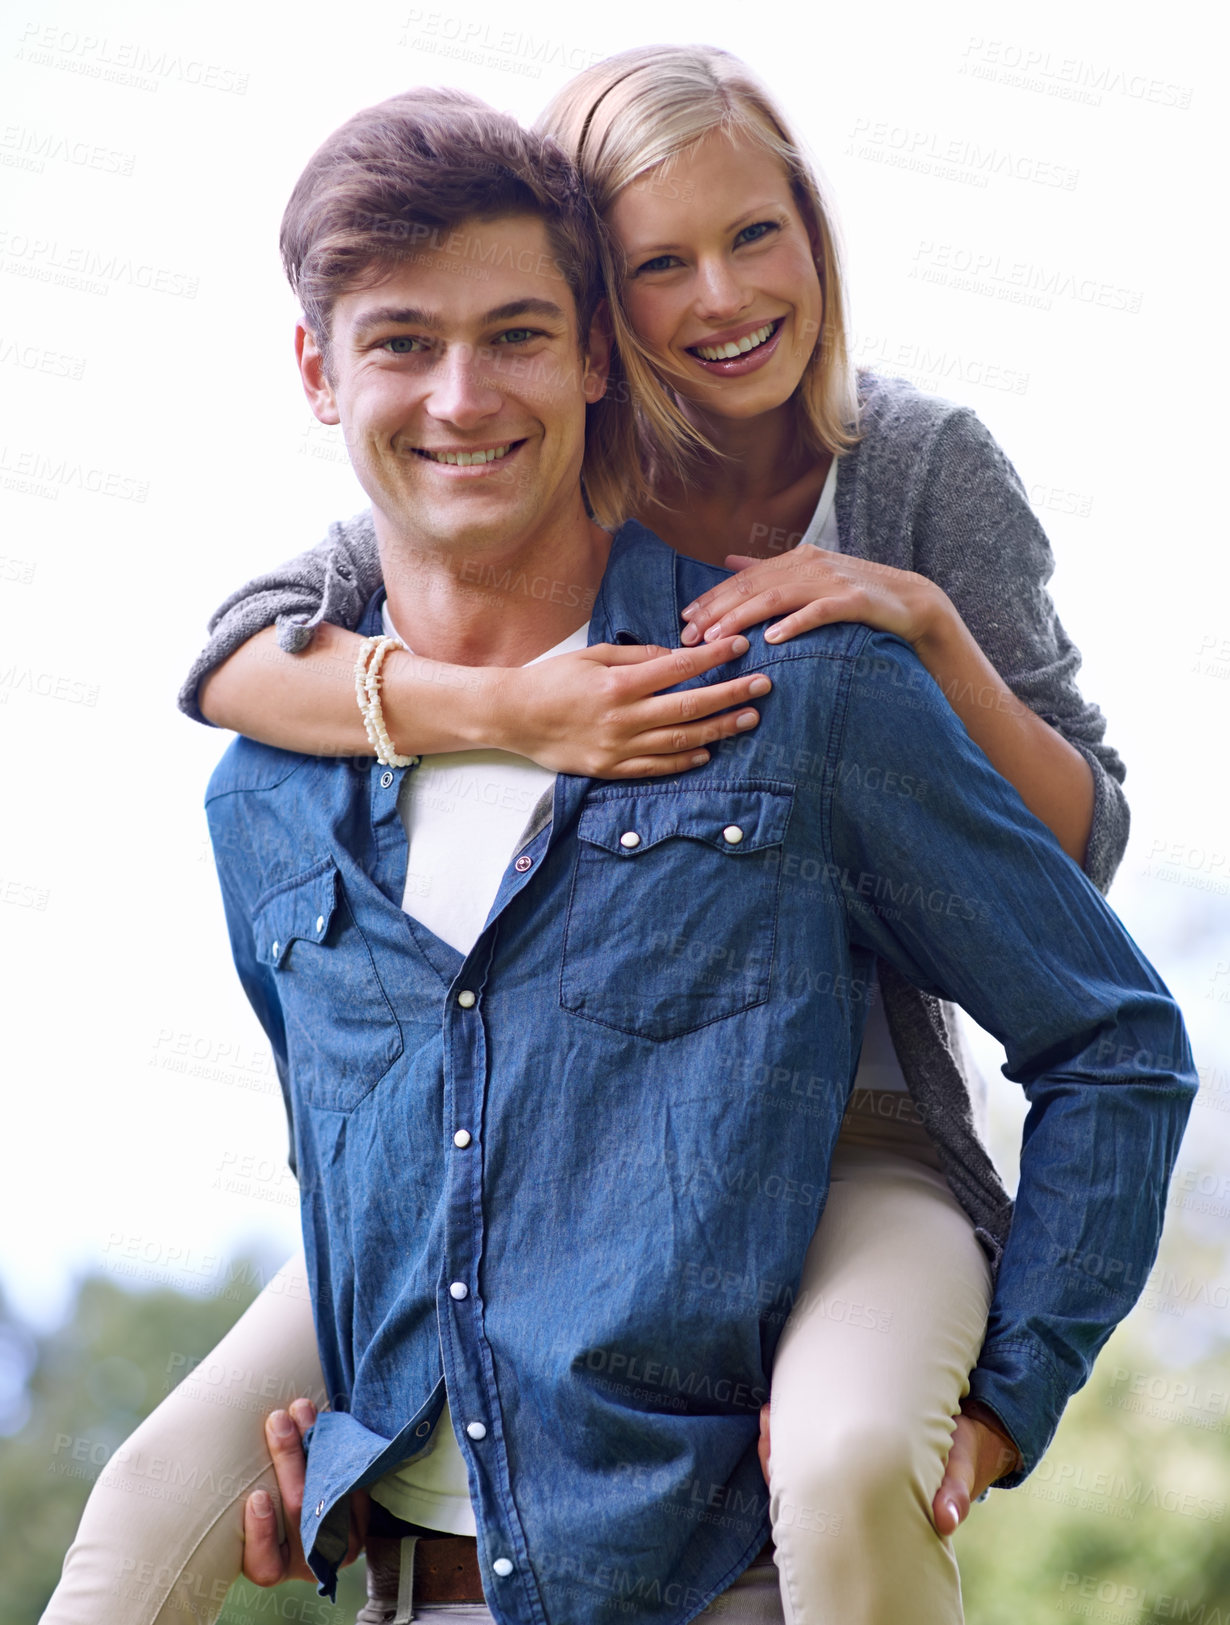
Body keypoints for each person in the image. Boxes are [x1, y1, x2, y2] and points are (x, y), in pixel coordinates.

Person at [40, 61, 1183, 1625]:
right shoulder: (318, 724)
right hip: (509, 1145)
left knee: (850, 1460)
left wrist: (922, 627)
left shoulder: (884, 508)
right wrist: (508, 708)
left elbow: (1084, 906)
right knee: (126, 1538)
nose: (462, 398)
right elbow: (238, 660)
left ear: (587, 356)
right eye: (661, 263)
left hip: (849, 1108)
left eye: (513, 334)